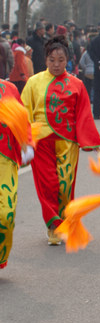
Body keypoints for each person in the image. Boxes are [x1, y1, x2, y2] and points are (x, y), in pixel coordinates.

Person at [22, 36, 100, 244]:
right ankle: (54, 227)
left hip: (68, 141)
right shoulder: (34, 82)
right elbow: (24, 112)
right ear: (45, 60)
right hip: (41, 141)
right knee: (48, 184)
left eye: (60, 60)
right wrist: (25, 139)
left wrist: (89, 140)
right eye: (51, 60)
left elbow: (84, 114)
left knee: (65, 185)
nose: (56, 64)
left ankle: (64, 220)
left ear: (68, 59)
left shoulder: (76, 84)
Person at [0, 78, 33, 268]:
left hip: (5, 158)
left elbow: (22, 120)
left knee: (6, 214)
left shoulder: (9, 89)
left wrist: (26, 143)